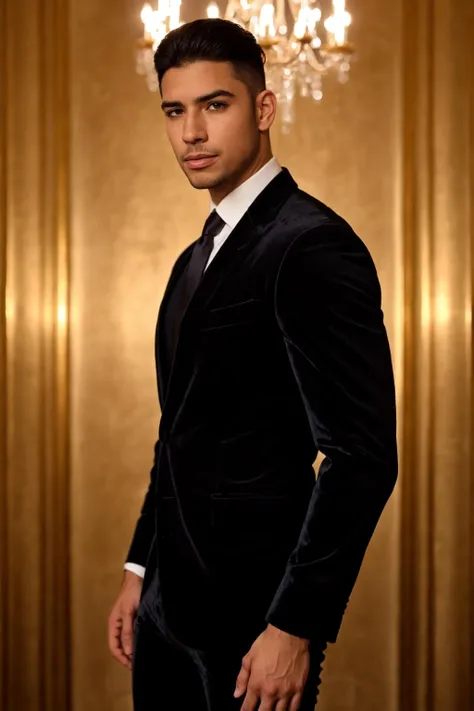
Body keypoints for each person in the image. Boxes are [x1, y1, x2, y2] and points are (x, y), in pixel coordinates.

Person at [108, 17, 398, 711]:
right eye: (175, 111)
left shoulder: (313, 246)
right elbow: (177, 431)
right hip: (165, 614)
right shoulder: (193, 258)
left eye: (215, 105)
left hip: (254, 626)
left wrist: (295, 623)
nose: (191, 134)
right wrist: (137, 567)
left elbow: (362, 455)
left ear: (263, 108)